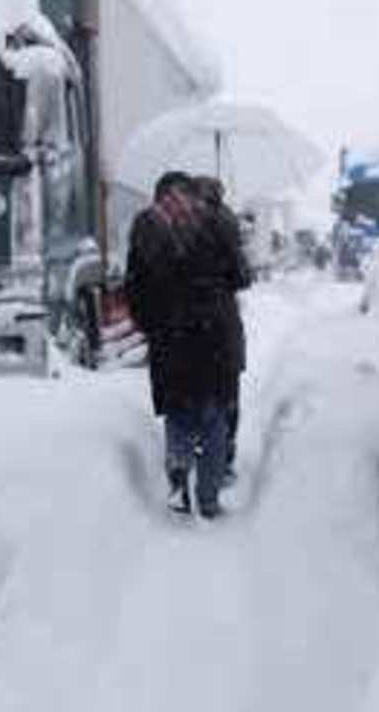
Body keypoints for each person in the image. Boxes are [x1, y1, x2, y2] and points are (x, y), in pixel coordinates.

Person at [125, 172, 248, 518]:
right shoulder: (216, 222)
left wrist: (152, 326)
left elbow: (134, 286)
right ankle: (208, 498)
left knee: (178, 413)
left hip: (170, 335)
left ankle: (179, 476)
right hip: (214, 334)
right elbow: (240, 275)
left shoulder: (148, 224)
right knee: (213, 418)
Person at [191, 176, 252, 488]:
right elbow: (242, 276)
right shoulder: (226, 222)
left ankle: (193, 460)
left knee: (196, 395)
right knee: (226, 396)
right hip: (221, 322)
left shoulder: (179, 224)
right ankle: (221, 464)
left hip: (186, 326)